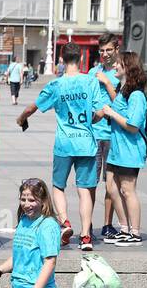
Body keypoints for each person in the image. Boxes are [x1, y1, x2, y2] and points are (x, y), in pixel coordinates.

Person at [18, 43, 104, 250]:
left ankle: (65, 222)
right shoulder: (90, 82)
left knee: (58, 186)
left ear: (62, 60)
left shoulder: (56, 85)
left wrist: (21, 118)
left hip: (65, 143)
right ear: (81, 60)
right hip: (86, 142)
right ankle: (85, 237)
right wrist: (87, 121)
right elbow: (100, 112)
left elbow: (34, 107)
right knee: (85, 190)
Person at [96, 51, 147, 246]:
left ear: (128, 67)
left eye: (119, 64)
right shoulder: (123, 89)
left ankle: (135, 233)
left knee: (128, 190)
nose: (115, 66)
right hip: (117, 150)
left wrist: (111, 113)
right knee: (111, 187)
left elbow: (133, 125)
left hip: (129, 150)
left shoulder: (136, 95)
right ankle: (124, 227)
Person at [90, 34, 122, 242]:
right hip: (94, 133)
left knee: (111, 184)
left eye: (109, 50)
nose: (105, 54)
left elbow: (122, 105)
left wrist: (108, 84)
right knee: (90, 182)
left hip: (113, 134)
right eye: (102, 51)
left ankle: (108, 224)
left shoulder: (121, 73)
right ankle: (88, 224)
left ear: (116, 49)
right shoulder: (93, 72)